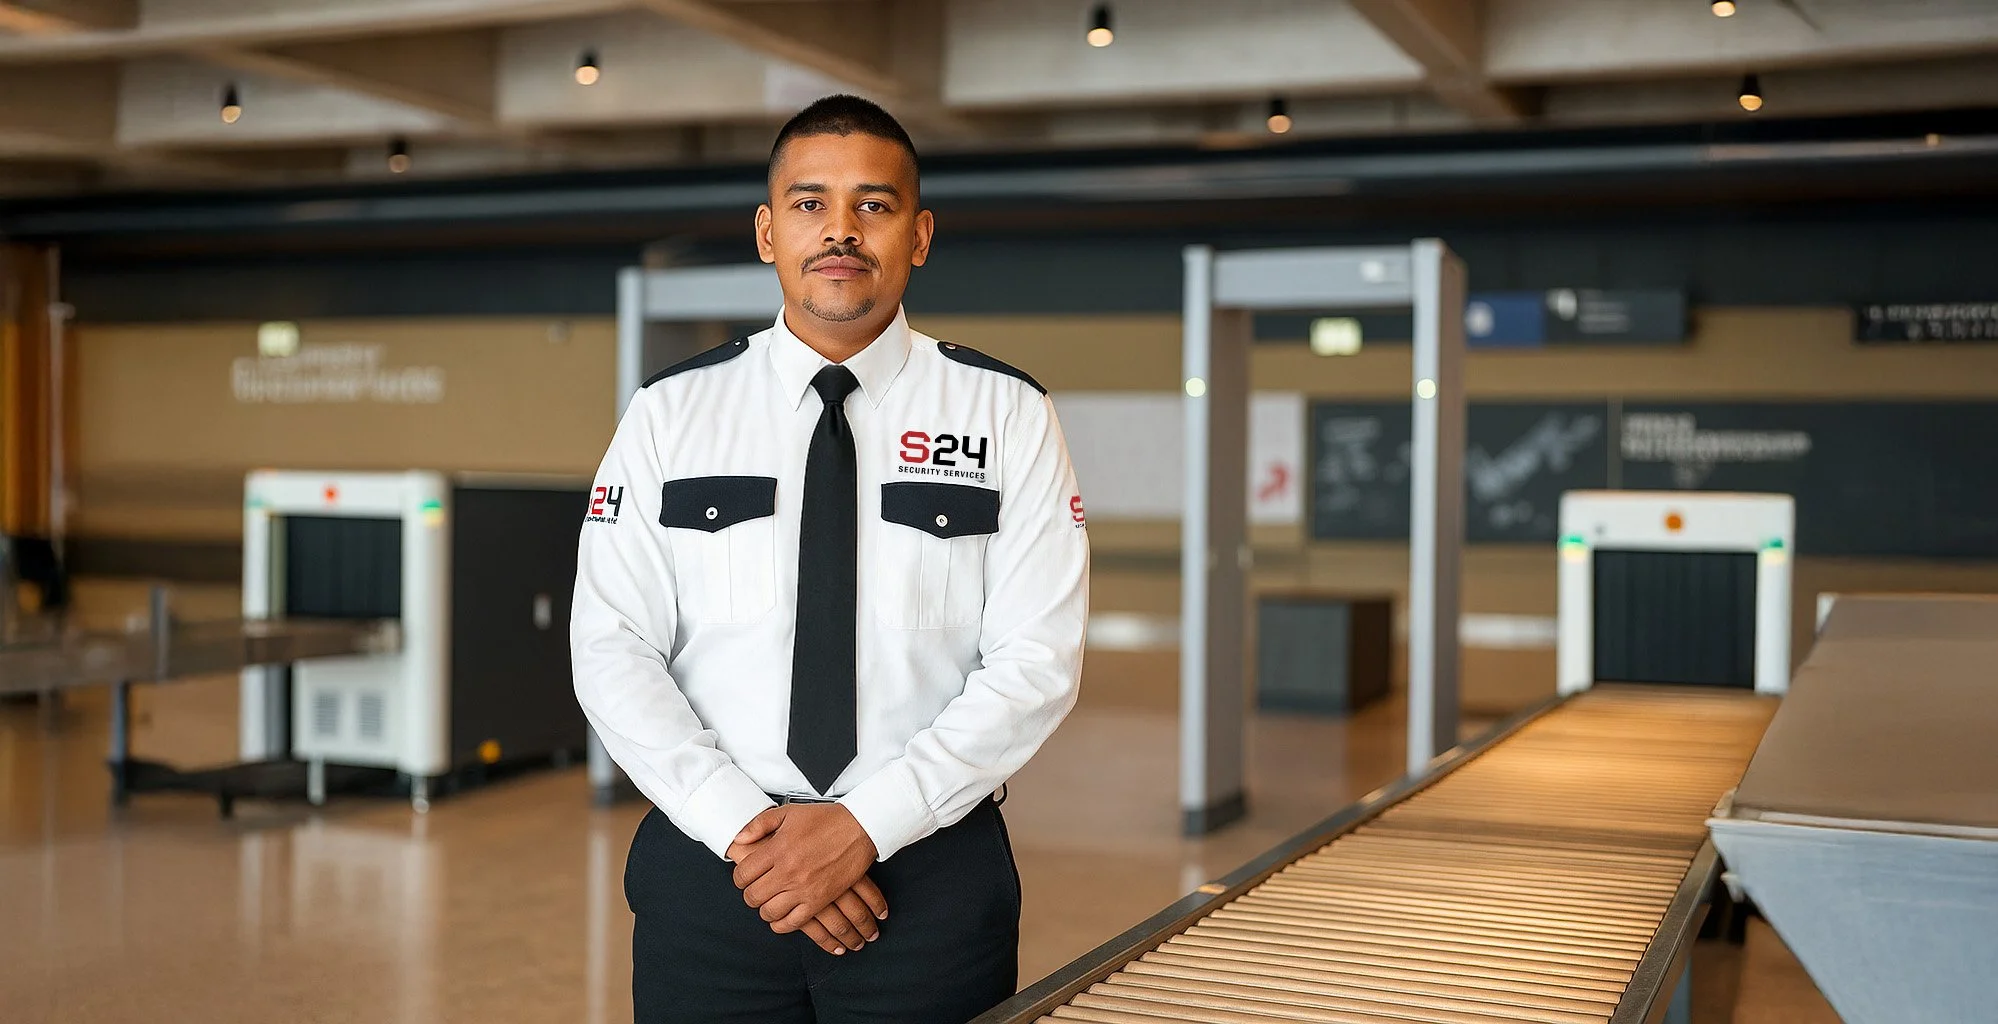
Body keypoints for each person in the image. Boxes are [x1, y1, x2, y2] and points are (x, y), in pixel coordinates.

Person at [571, 94, 1091, 1024]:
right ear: (768, 232)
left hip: (927, 880)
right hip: (715, 869)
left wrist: (865, 825)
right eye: (810, 204)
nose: (840, 232)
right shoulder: (669, 415)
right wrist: (751, 832)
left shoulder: (1005, 415)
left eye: (874, 206)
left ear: (919, 234)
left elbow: (1036, 663)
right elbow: (611, 647)